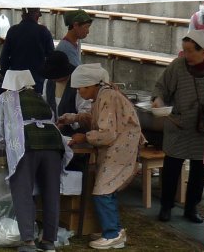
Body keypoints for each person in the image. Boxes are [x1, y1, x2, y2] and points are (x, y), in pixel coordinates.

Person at [58, 64, 143, 250]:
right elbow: (96, 118)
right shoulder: (103, 95)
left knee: (102, 191)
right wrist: (73, 118)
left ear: (94, 85)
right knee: (106, 189)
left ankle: (112, 234)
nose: (80, 92)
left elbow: (107, 133)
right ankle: (114, 230)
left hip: (121, 148)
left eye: (83, 88)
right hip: (118, 148)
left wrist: (84, 136)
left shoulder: (108, 96)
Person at [0, 70, 70, 252]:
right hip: (53, 144)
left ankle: (28, 242)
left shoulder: (5, 98)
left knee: (23, 191)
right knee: (51, 193)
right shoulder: (39, 97)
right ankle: (49, 241)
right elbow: (52, 119)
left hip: (26, 145)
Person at [152, 30, 204, 224]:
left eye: (190, 51)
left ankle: (191, 208)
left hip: (203, 128)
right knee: (171, 168)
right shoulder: (178, 66)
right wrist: (158, 99)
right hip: (178, 125)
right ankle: (166, 206)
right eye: (184, 50)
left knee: (198, 171)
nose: (186, 55)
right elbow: (161, 87)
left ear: (203, 51)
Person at [0, 7, 54, 94]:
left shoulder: (13, 30)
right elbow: (51, 57)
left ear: (22, 15)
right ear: (36, 15)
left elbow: (3, 58)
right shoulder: (43, 31)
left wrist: (6, 75)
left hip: (15, 82)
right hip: (36, 82)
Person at [42, 50, 91, 137]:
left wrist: (70, 122)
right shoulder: (48, 82)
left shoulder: (78, 84)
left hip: (76, 136)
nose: (54, 79)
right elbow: (47, 105)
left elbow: (86, 112)